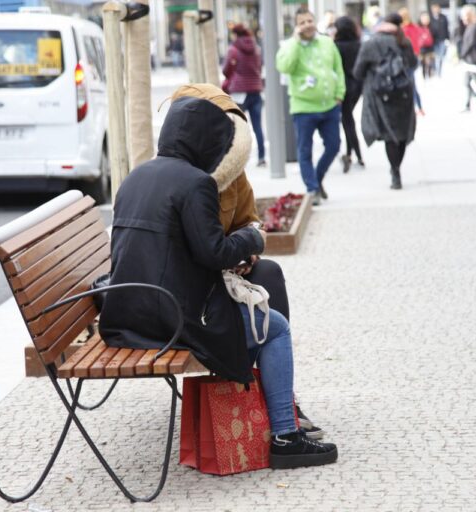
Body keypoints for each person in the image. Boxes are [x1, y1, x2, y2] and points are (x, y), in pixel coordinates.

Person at [99, 94, 338, 469]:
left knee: (258, 304)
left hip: (126, 316)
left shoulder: (136, 176)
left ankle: (261, 406)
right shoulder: (195, 183)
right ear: (204, 141)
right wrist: (253, 238)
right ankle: (285, 435)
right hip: (171, 321)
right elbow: (214, 253)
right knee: (274, 327)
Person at [168, 83, 326, 438]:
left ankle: (279, 396)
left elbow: (250, 221)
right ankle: (258, 393)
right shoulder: (176, 177)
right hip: (192, 290)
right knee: (268, 316)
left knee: (268, 273)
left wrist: (248, 250)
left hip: (226, 274)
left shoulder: (233, 174)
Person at [276, 8, 345, 205]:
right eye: (302, 22)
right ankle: (312, 189)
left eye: (309, 21)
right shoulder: (289, 46)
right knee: (304, 151)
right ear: (296, 26)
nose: (307, 25)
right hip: (303, 108)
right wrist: (297, 43)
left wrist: (340, 94)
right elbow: (285, 67)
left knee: (333, 146)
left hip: (330, 105)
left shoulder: (326, 42)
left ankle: (316, 177)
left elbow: (338, 69)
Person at [354, 13, 417, 190]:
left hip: (381, 94)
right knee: (403, 133)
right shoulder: (403, 41)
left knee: (390, 134)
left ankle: (394, 171)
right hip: (404, 93)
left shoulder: (371, 43)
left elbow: (358, 71)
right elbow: (412, 64)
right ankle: (397, 167)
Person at [223, 24, 265, 167]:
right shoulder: (257, 49)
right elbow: (260, 66)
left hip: (240, 92)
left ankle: (237, 159)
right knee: (257, 126)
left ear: (235, 35)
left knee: (237, 127)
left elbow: (226, 70)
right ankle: (261, 157)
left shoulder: (233, 49)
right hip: (256, 89)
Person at [334, 16, 364, 171]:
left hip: (343, 88)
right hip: (357, 86)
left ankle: (356, 155)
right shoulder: (358, 44)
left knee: (347, 121)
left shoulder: (336, 46)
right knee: (348, 120)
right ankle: (352, 153)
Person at [429, 3, 450, 76]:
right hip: (434, 40)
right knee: (435, 56)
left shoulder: (443, 17)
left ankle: (439, 71)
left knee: (440, 56)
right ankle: (435, 69)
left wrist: (448, 38)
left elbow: (446, 28)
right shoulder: (430, 18)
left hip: (442, 39)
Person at [418, 12, 436, 79]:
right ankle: (424, 77)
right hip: (422, 48)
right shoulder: (418, 27)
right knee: (423, 64)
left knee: (430, 64)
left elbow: (435, 36)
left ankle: (430, 76)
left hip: (430, 48)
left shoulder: (432, 27)